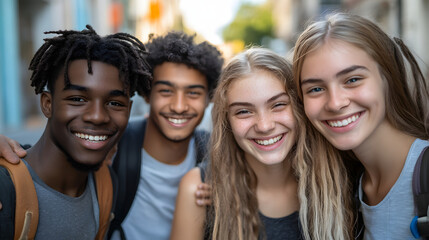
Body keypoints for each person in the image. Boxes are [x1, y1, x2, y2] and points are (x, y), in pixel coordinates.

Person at [0, 31, 223, 240]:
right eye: (78, 99)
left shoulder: (215, 159)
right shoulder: (115, 148)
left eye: (115, 103)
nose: (179, 106)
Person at [171, 47, 356, 240]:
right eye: (243, 111)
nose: (265, 126)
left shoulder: (342, 179)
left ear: (300, 107)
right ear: (227, 122)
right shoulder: (198, 189)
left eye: (278, 105)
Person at [0, 25, 151, 239]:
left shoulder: (106, 187)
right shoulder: (5, 192)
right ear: (47, 104)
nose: (98, 116)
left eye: (115, 103)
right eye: (78, 99)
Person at [293, 12, 429, 239]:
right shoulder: (345, 187)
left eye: (352, 79)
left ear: (388, 78)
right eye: (315, 89)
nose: (336, 103)